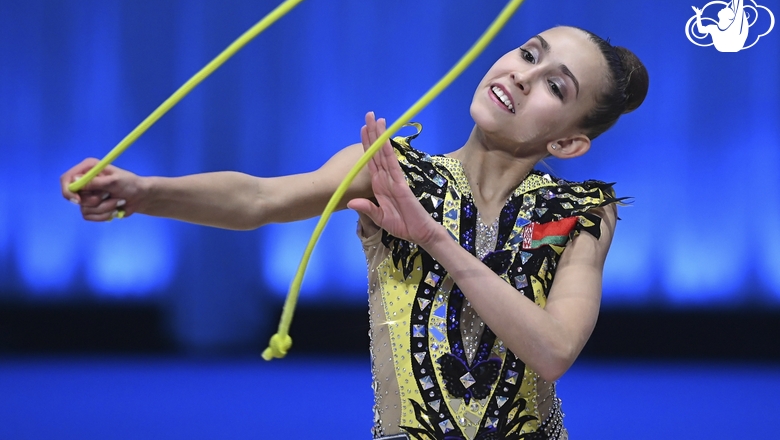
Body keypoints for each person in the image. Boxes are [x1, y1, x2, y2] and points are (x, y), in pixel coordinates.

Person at [61, 25, 648, 439]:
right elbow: (260, 198)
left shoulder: (581, 212)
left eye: (554, 85)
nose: (523, 76)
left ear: (568, 143)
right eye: (527, 53)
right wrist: (146, 193)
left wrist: (433, 238)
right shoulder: (390, 170)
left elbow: (552, 351)